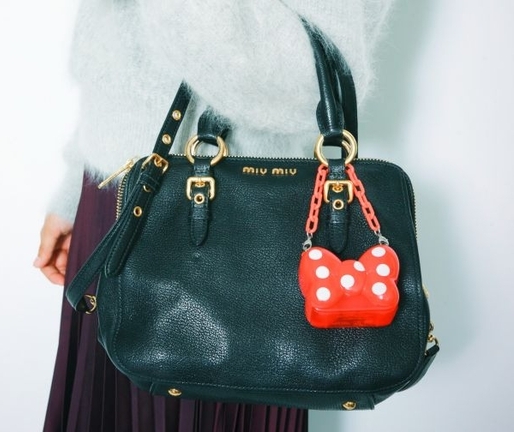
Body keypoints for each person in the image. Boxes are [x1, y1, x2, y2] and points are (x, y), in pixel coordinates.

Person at [34, 1, 395, 430]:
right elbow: (116, 59)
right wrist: (74, 189)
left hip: (245, 225)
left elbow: (303, 85)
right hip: (114, 204)